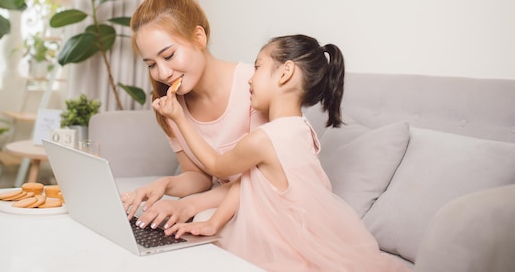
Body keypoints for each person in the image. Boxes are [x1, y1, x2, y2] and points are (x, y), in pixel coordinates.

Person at [154, 34, 410, 272]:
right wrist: (213, 222)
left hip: (279, 238)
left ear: (285, 72)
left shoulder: (263, 140)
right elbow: (248, 181)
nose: (250, 78)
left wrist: (180, 119)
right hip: (305, 230)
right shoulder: (303, 130)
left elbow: (216, 166)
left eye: (257, 67)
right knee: (205, 227)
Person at [122, 0, 268, 230]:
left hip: (266, 200)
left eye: (168, 56)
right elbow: (199, 177)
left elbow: (260, 180)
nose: (163, 73)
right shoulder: (170, 108)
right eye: (151, 65)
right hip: (225, 203)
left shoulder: (254, 86)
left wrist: (188, 206)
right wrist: (165, 184)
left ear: (199, 38)